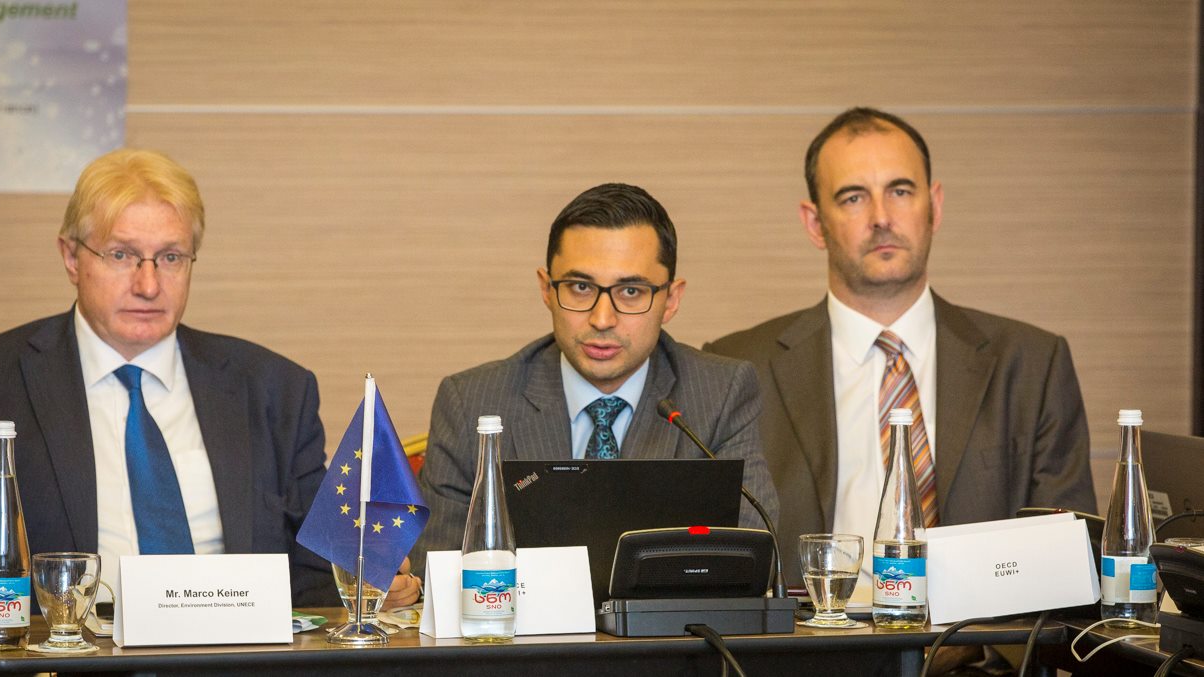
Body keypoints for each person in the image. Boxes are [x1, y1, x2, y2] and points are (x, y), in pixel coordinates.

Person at [0, 148, 415, 608]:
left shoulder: (274, 389)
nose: (148, 285)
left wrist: (367, 582)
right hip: (65, 660)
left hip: (236, 661)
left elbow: (313, 578)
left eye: (170, 257)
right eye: (121, 255)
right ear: (71, 257)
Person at [706, 107, 1097, 589]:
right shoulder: (738, 369)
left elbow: (1067, 560)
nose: (882, 218)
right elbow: (717, 558)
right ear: (814, 223)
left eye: (901, 191)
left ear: (935, 206)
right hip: (808, 633)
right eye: (853, 197)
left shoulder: (1032, 365)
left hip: (982, 636)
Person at [413, 183, 779, 562]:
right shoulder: (471, 401)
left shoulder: (721, 394)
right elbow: (439, 564)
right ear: (547, 289)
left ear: (671, 299)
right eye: (580, 287)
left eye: (631, 291)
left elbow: (749, 556)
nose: (602, 319)